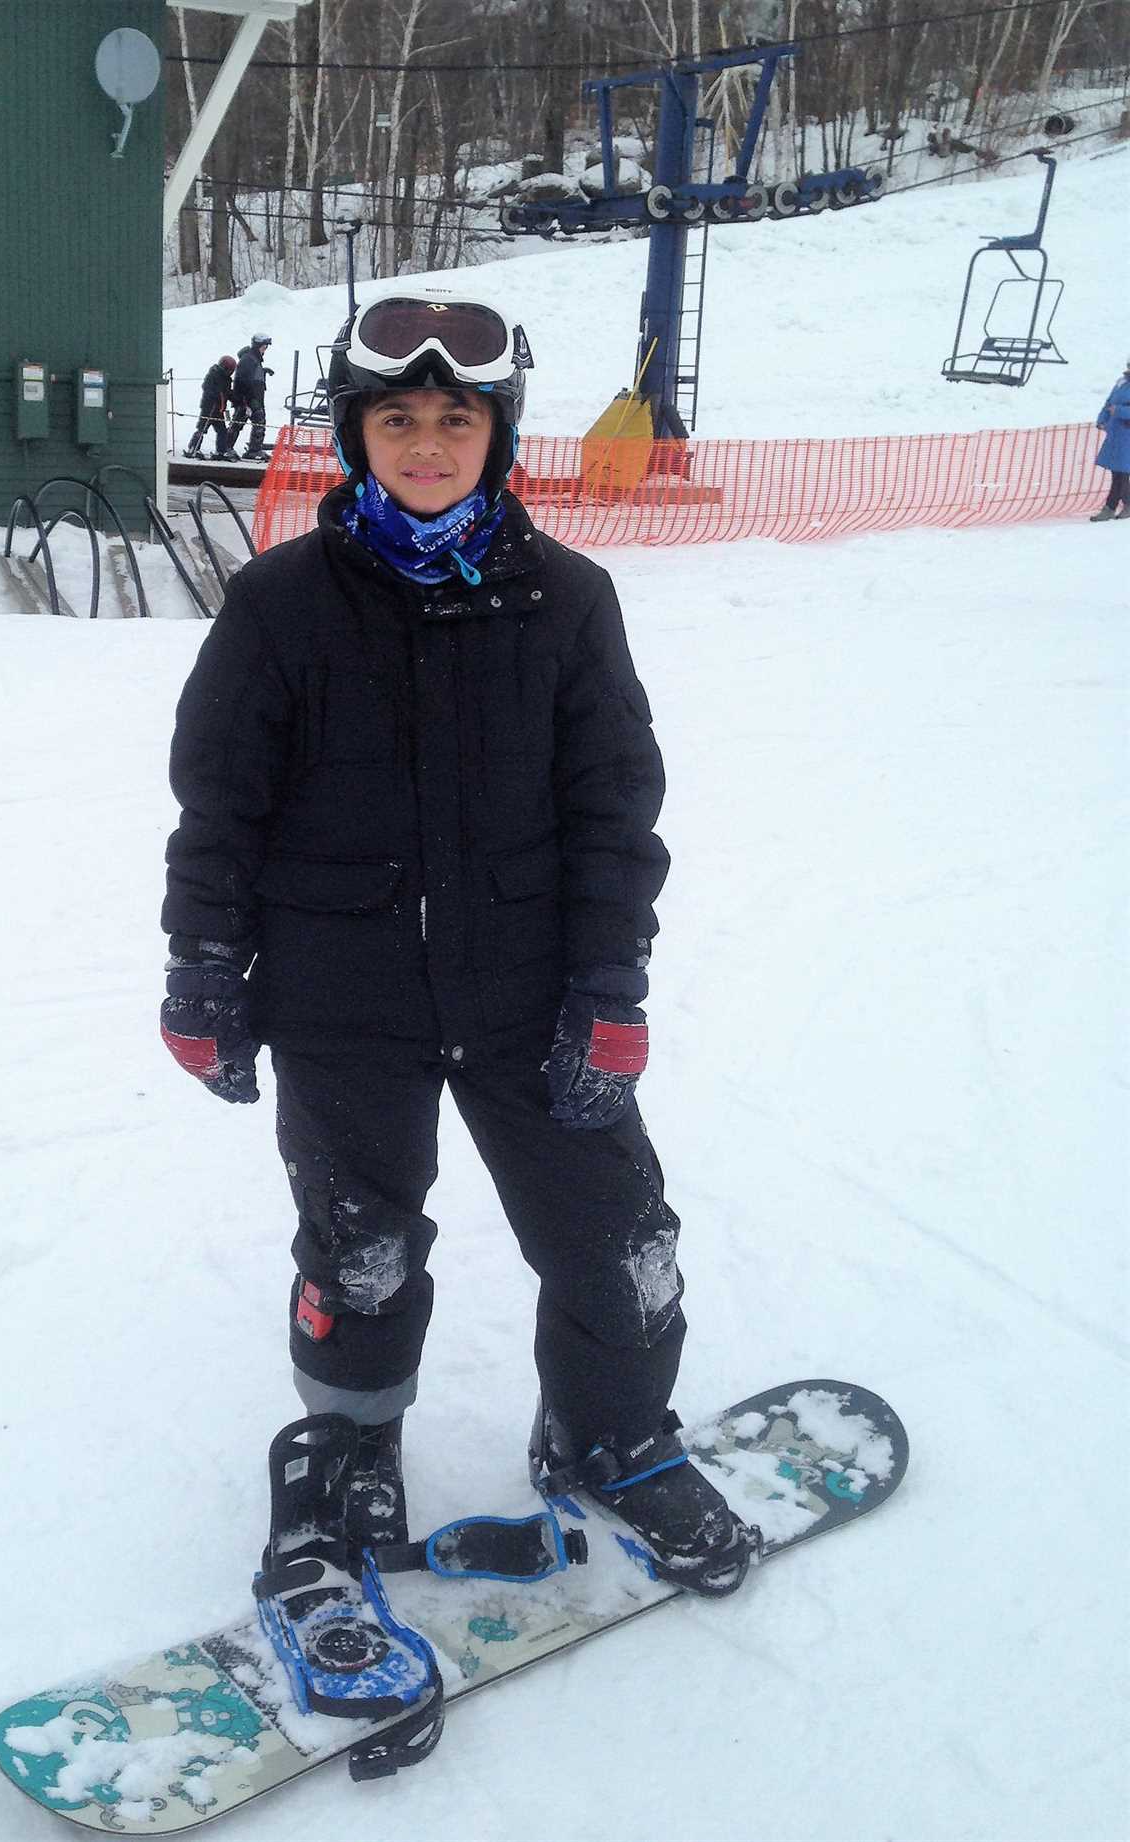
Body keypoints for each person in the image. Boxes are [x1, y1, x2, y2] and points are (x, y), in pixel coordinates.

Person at [159, 290, 756, 1596]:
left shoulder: (570, 600)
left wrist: (609, 982)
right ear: (355, 435)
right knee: (361, 1253)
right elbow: (221, 806)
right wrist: (204, 964)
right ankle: (354, 1446)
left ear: (498, 431)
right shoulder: (280, 604)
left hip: (530, 992)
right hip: (341, 1001)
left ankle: (607, 1430)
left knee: (620, 1238)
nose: (427, 444)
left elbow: (614, 809)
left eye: (454, 418)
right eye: (397, 419)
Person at [219, 333, 273, 461]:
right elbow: (243, 381)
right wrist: (246, 401)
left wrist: (264, 371)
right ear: (258, 346)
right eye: (264, 347)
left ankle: (249, 449)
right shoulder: (249, 359)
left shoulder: (254, 358)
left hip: (253, 398)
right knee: (244, 422)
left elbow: (253, 377)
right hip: (248, 398)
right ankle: (230, 447)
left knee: (242, 422)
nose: (265, 350)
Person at [1090, 359, 1130, 522]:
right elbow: (1109, 402)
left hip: (1127, 434)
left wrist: (1119, 410)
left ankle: (1110, 507)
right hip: (1116, 433)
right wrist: (1102, 418)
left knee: (1121, 472)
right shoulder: (1122, 382)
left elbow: (1116, 407)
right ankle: (1127, 504)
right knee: (1119, 472)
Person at [183, 354, 236, 458]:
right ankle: (193, 447)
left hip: (220, 410)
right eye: (229, 370)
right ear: (224, 368)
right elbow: (207, 387)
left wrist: (236, 398)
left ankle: (221, 451)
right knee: (202, 428)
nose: (230, 373)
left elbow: (227, 392)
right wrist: (217, 395)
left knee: (222, 430)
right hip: (209, 408)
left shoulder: (227, 379)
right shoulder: (213, 374)